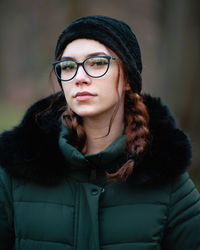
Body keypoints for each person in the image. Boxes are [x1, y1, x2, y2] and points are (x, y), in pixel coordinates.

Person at [0, 15, 200, 250]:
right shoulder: (15, 173)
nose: (79, 78)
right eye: (68, 66)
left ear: (127, 78)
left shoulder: (168, 183)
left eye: (97, 63)